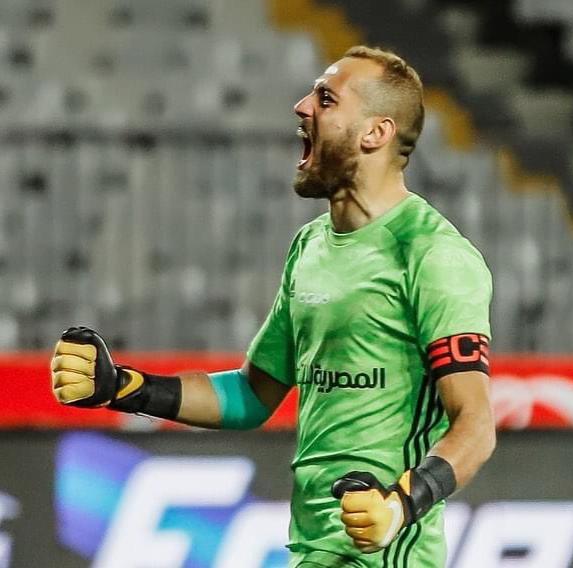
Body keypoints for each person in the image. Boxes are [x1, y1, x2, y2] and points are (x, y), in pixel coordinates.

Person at [50, 46, 495, 568]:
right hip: (313, 552)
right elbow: (251, 395)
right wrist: (125, 387)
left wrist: (401, 505)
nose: (301, 106)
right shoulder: (310, 247)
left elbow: (475, 425)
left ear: (376, 133)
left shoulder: (432, 254)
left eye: (326, 99)